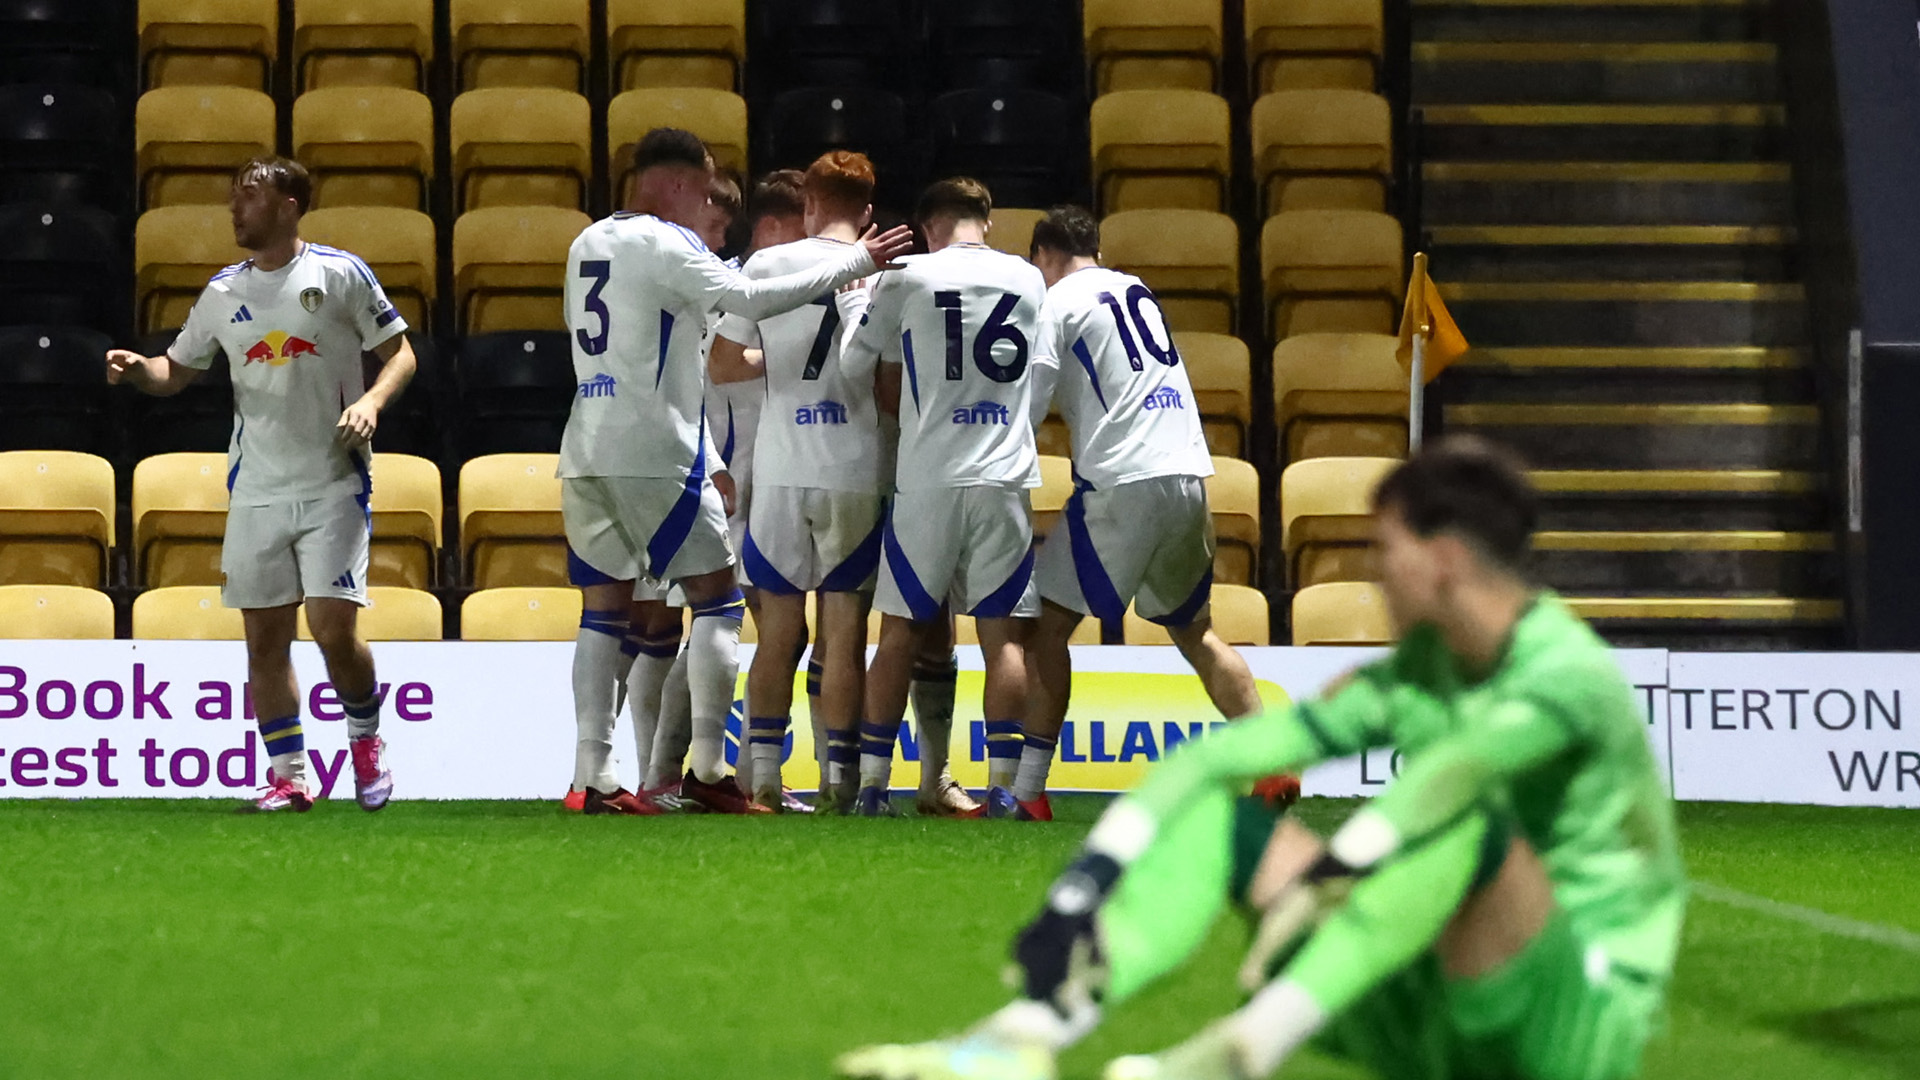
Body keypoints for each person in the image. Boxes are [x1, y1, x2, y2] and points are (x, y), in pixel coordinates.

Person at [838, 437, 1687, 1080]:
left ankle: (1229, 1058)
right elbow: (1225, 756)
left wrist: (1336, 873)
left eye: (1385, 551)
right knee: (1223, 822)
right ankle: (1022, 1039)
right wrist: (1082, 889)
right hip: (1418, 999)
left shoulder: (1565, 675)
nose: (1374, 576)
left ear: (1446, 560)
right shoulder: (1422, 668)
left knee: (1472, 824)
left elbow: (1445, 785)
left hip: (1573, 1026)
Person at [558, 128, 913, 816]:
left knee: (603, 609)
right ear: (680, 183)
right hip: (656, 450)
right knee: (717, 600)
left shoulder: (586, 241)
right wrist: (857, 261)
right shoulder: (669, 242)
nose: (710, 208)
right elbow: (749, 298)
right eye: (705, 189)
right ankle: (709, 769)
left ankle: (592, 776)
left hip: (586, 445)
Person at [106, 155, 417, 814]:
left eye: (248, 196)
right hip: (256, 489)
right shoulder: (223, 292)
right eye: (234, 196)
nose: (235, 207)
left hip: (334, 480)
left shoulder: (339, 273)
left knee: (332, 630)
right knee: (265, 642)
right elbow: (175, 372)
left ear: (288, 205)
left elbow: (402, 354)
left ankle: (366, 738)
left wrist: (372, 402)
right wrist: (139, 369)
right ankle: (289, 776)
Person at [1014, 206, 1275, 823]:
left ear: (1044, 255)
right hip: (1188, 477)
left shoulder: (1059, 301)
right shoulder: (1137, 290)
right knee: (1197, 633)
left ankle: (1026, 793)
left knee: (1045, 629)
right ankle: (1271, 765)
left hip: (1121, 484)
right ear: (1096, 251)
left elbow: (1033, 395)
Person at [840, 177, 1048, 818]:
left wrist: (856, 306)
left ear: (929, 227)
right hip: (1003, 478)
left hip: (929, 476)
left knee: (899, 632)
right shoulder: (1028, 279)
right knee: (1003, 639)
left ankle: (873, 788)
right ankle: (1003, 790)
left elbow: (854, 364)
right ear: (986, 220)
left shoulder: (908, 275)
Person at [707, 151, 889, 812]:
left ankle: (761, 777)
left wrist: (779, 360)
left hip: (782, 471)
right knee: (843, 636)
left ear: (808, 203)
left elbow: (723, 365)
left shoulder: (765, 266)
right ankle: (839, 781)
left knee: (778, 634)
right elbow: (887, 382)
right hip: (853, 469)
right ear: (867, 212)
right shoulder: (882, 273)